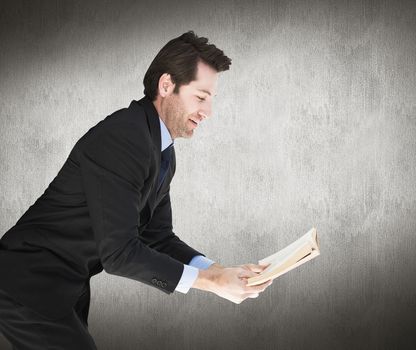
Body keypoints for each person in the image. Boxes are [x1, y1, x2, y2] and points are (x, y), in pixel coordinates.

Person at [0, 31, 273, 349]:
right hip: (27, 284)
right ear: (167, 85)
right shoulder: (123, 137)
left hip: (63, 289)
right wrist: (212, 283)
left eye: (211, 99)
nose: (208, 111)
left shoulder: (163, 151)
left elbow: (157, 237)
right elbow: (119, 253)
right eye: (200, 97)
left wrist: (219, 270)